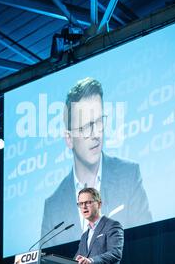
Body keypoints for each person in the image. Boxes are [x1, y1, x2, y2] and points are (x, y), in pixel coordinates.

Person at [41, 77, 152, 247]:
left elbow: (148, 242)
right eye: (86, 127)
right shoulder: (53, 206)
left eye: (99, 122)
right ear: (69, 139)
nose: (95, 134)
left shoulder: (128, 175)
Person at [74, 187, 124, 264]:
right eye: (81, 204)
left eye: (88, 202)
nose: (84, 207)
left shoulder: (112, 225)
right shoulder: (84, 236)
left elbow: (115, 253)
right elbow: (76, 259)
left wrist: (91, 261)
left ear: (99, 204)